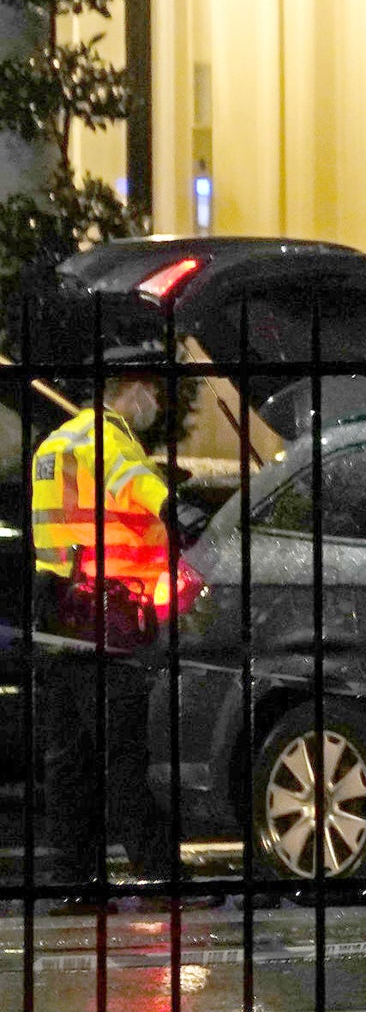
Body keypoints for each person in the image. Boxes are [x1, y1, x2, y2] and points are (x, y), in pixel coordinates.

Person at [29, 348, 184, 906]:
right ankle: (159, 875)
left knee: (67, 762)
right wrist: (177, 505)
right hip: (109, 621)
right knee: (126, 757)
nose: (156, 406)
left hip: (56, 617)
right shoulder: (109, 439)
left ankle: (74, 881)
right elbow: (147, 492)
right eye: (156, 394)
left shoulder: (54, 444)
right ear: (133, 387)